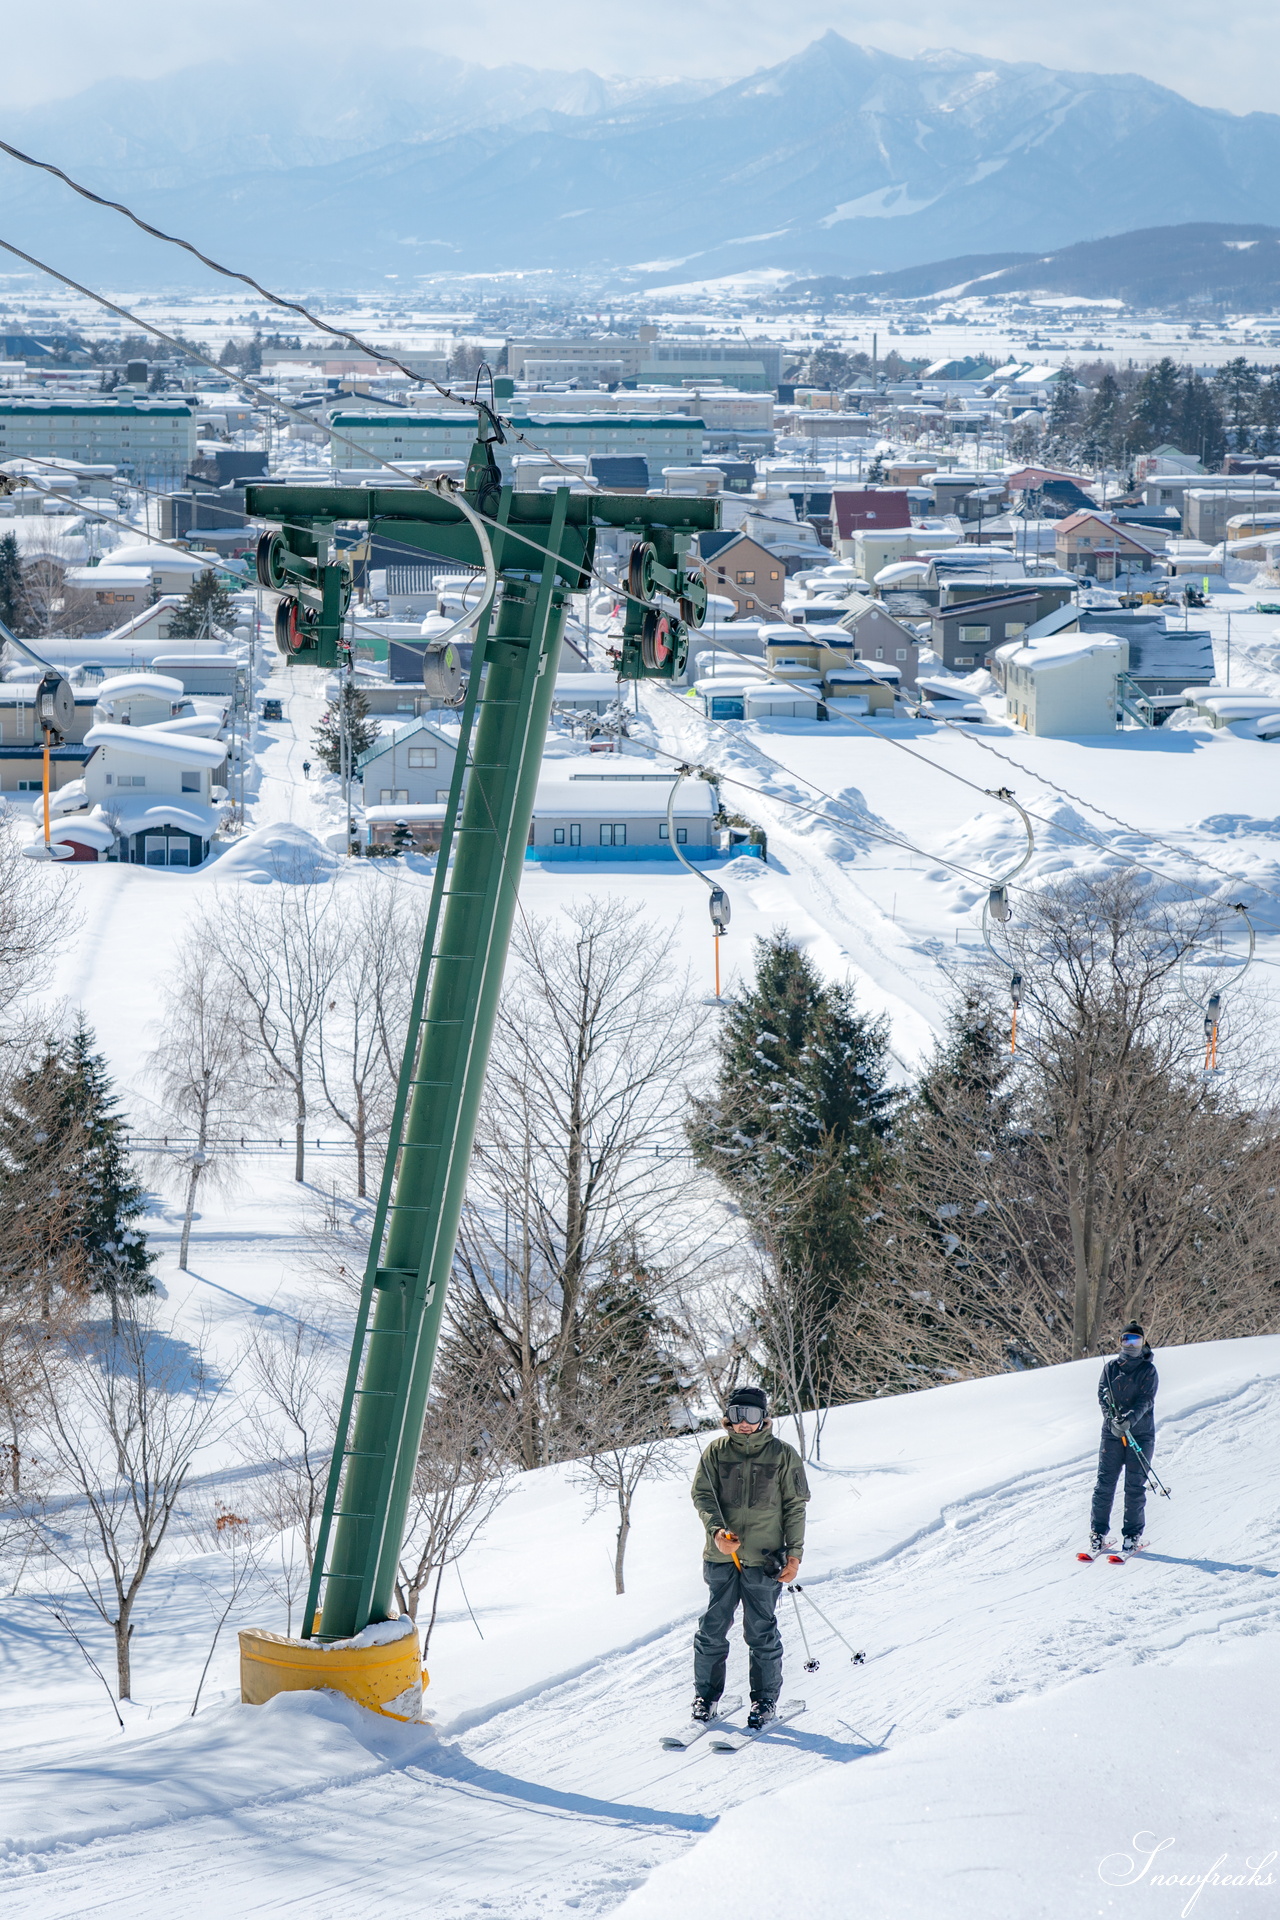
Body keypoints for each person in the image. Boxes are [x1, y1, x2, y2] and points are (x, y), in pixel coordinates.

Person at [690, 1385, 810, 1731]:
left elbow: (794, 1507)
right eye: (739, 1415)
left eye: (753, 1415)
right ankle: (706, 1699)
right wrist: (716, 1532)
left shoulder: (783, 1455)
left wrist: (795, 1556)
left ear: (764, 1418)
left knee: (760, 1631)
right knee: (711, 1629)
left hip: (764, 1558)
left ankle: (765, 1702)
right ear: (729, 1417)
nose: (745, 1423)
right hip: (721, 1557)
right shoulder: (716, 1452)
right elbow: (702, 1495)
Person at [1089, 1321, 1158, 1555]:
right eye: (1126, 1340)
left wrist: (1129, 1420)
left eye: (1135, 1340)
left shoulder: (1148, 1370)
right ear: (1120, 1342)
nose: (1130, 1345)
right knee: (1104, 1484)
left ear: (1143, 1343)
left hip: (1140, 1434)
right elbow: (1102, 1396)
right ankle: (1097, 1534)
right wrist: (1112, 1422)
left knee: (1134, 1486)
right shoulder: (1110, 1368)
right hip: (1112, 1435)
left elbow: (1146, 1400)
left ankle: (1131, 1537)